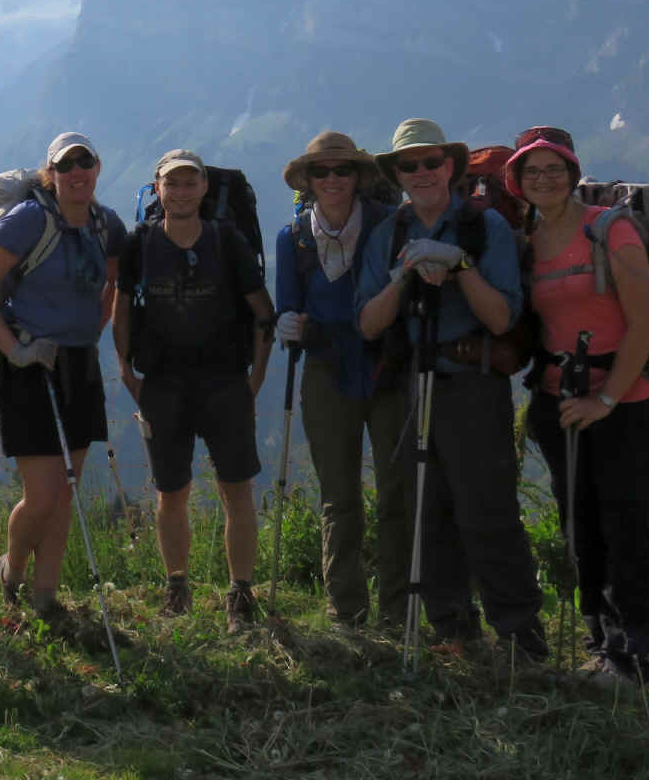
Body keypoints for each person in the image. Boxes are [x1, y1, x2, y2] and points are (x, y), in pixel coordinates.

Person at [355, 118, 547, 661]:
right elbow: (368, 324)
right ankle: (453, 630)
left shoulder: (486, 231)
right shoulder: (387, 236)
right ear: (394, 174)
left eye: (430, 162)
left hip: (471, 384)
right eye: (408, 165)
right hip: (411, 382)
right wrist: (403, 276)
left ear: (451, 167)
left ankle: (519, 635)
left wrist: (459, 265)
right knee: (427, 510)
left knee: (486, 509)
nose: (420, 173)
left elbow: (502, 315)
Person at [506, 125, 649, 686]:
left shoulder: (610, 230)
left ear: (574, 175)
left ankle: (633, 655)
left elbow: (644, 322)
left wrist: (606, 398)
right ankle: (602, 643)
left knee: (627, 523)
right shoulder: (528, 239)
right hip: (559, 403)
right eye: (532, 171)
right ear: (518, 182)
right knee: (580, 525)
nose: (544, 179)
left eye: (555, 169)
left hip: (626, 403)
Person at [0, 132, 127, 625]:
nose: (77, 173)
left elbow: (112, 287)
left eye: (85, 163)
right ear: (51, 174)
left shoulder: (107, 225)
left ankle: (45, 596)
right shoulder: (29, 220)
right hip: (28, 366)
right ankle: (11, 569)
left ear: (97, 167)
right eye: (66, 166)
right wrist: (15, 349)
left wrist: (88, 335)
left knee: (67, 489)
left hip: (76, 362)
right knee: (43, 493)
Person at [112, 149, 273, 632]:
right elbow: (121, 307)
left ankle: (240, 593)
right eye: (172, 183)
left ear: (204, 187)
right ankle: (177, 586)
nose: (181, 191)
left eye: (190, 183)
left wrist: (256, 377)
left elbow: (262, 310)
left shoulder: (228, 240)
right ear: (157, 188)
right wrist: (124, 369)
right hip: (162, 382)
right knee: (170, 491)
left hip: (225, 380)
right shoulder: (139, 242)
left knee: (235, 490)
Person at [272, 131, 410, 629]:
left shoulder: (389, 226)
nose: (332, 180)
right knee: (339, 495)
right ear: (308, 181)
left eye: (342, 171)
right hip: (327, 369)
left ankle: (398, 609)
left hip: (387, 367)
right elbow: (288, 303)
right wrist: (286, 323)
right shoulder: (293, 238)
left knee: (398, 490)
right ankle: (346, 609)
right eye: (322, 172)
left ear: (359, 177)